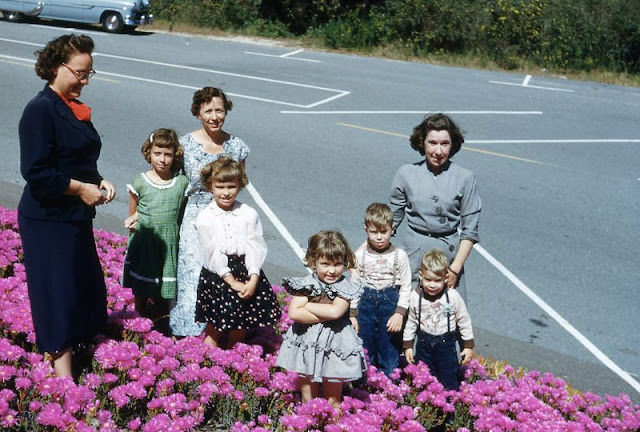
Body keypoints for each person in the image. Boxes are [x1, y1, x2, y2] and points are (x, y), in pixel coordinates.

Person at [17, 34, 115, 377]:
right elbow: (37, 172)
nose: (85, 81)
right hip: (47, 218)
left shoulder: (70, 107)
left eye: (90, 73)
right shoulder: (41, 109)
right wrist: (80, 190)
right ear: (58, 67)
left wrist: (98, 181)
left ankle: (76, 352)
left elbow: (77, 158)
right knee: (57, 292)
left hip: (73, 215)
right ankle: (63, 376)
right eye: (80, 73)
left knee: (82, 287)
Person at [170, 86, 250, 337]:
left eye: (220, 110)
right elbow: (172, 183)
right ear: (197, 113)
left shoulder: (237, 147)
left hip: (227, 220)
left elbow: (239, 185)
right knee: (193, 275)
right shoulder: (184, 145)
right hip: (194, 219)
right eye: (208, 111)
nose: (215, 116)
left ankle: (219, 335)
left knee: (225, 275)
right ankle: (188, 335)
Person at [389, 113, 481, 300]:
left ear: (452, 144)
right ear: (422, 142)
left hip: (448, 260)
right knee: (407, 318)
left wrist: (454, 270)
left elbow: (470, 231)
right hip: (414, 257)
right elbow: (389, 221)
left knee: (446, 319)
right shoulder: (406, 173)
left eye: (444, 144)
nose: (438, 151)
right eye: (432, 143)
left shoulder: (465, 178)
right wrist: (367, 251)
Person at [194, 157, 281, 348]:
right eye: (220, 187)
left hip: (245, 271)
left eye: (231, 187)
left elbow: (255, 245)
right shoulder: (206, 217)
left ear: (239, 186)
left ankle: (233, 357)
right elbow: (212, 252)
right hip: (219, 275)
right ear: (211, 187)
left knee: (240, 322)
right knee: (215, 325)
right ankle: (207, 363)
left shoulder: (247, 213)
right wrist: (231, 281)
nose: (226, 192)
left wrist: (253, 278)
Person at [277, 230, 367, 409]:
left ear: (345, 262)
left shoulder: (345, 287)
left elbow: (335, 312)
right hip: (307, 343)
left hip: (335, 344)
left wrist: (307, 305)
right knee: (307, 393)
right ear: (313, 261)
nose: (332, 271)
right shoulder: (307, 283)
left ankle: (332, 424)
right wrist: (319, 310)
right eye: (325, 264)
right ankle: (308, 422)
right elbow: (294, 313)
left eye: (338, 264)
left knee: (333, 396)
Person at [122, 128, 188, 331]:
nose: (162, 159)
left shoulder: (181, 183)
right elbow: (134, 212)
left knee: (162, 293)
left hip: (168, 243)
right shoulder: (140, 182)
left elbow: (182, 214)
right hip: (145, 241)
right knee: (141, 290)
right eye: (157, 153)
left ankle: (160, 326)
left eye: (168, 154)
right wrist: (133, 223)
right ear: (148, 152)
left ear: (174, 155)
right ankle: (138, 324)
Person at [351, 203, 412, 377]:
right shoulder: (360, 256)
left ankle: (388, 385)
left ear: (392, 229)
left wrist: (400, 313)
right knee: (365, 347)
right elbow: (354, 285)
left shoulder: (399, 255)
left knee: (388, 348)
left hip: (389, 306)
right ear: (366, 230)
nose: (379, 237)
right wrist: (352, 315)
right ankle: (363, 385)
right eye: (374, 232)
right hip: (366, 305)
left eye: (383, 232)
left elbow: (406, 286)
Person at [403, 249, 474, 390]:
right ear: (421, 276)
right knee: (424, 378)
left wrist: (468, 345)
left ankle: (448, 408)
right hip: (424, 345)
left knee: (448, 379)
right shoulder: (416, 297)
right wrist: (408, 346)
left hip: (446, 346)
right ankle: (426, 408)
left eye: (437, 280)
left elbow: (464, 321)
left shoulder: (452, 297)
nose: (432, 285)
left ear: (446, 278)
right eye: (428, 279)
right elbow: (411, 321)